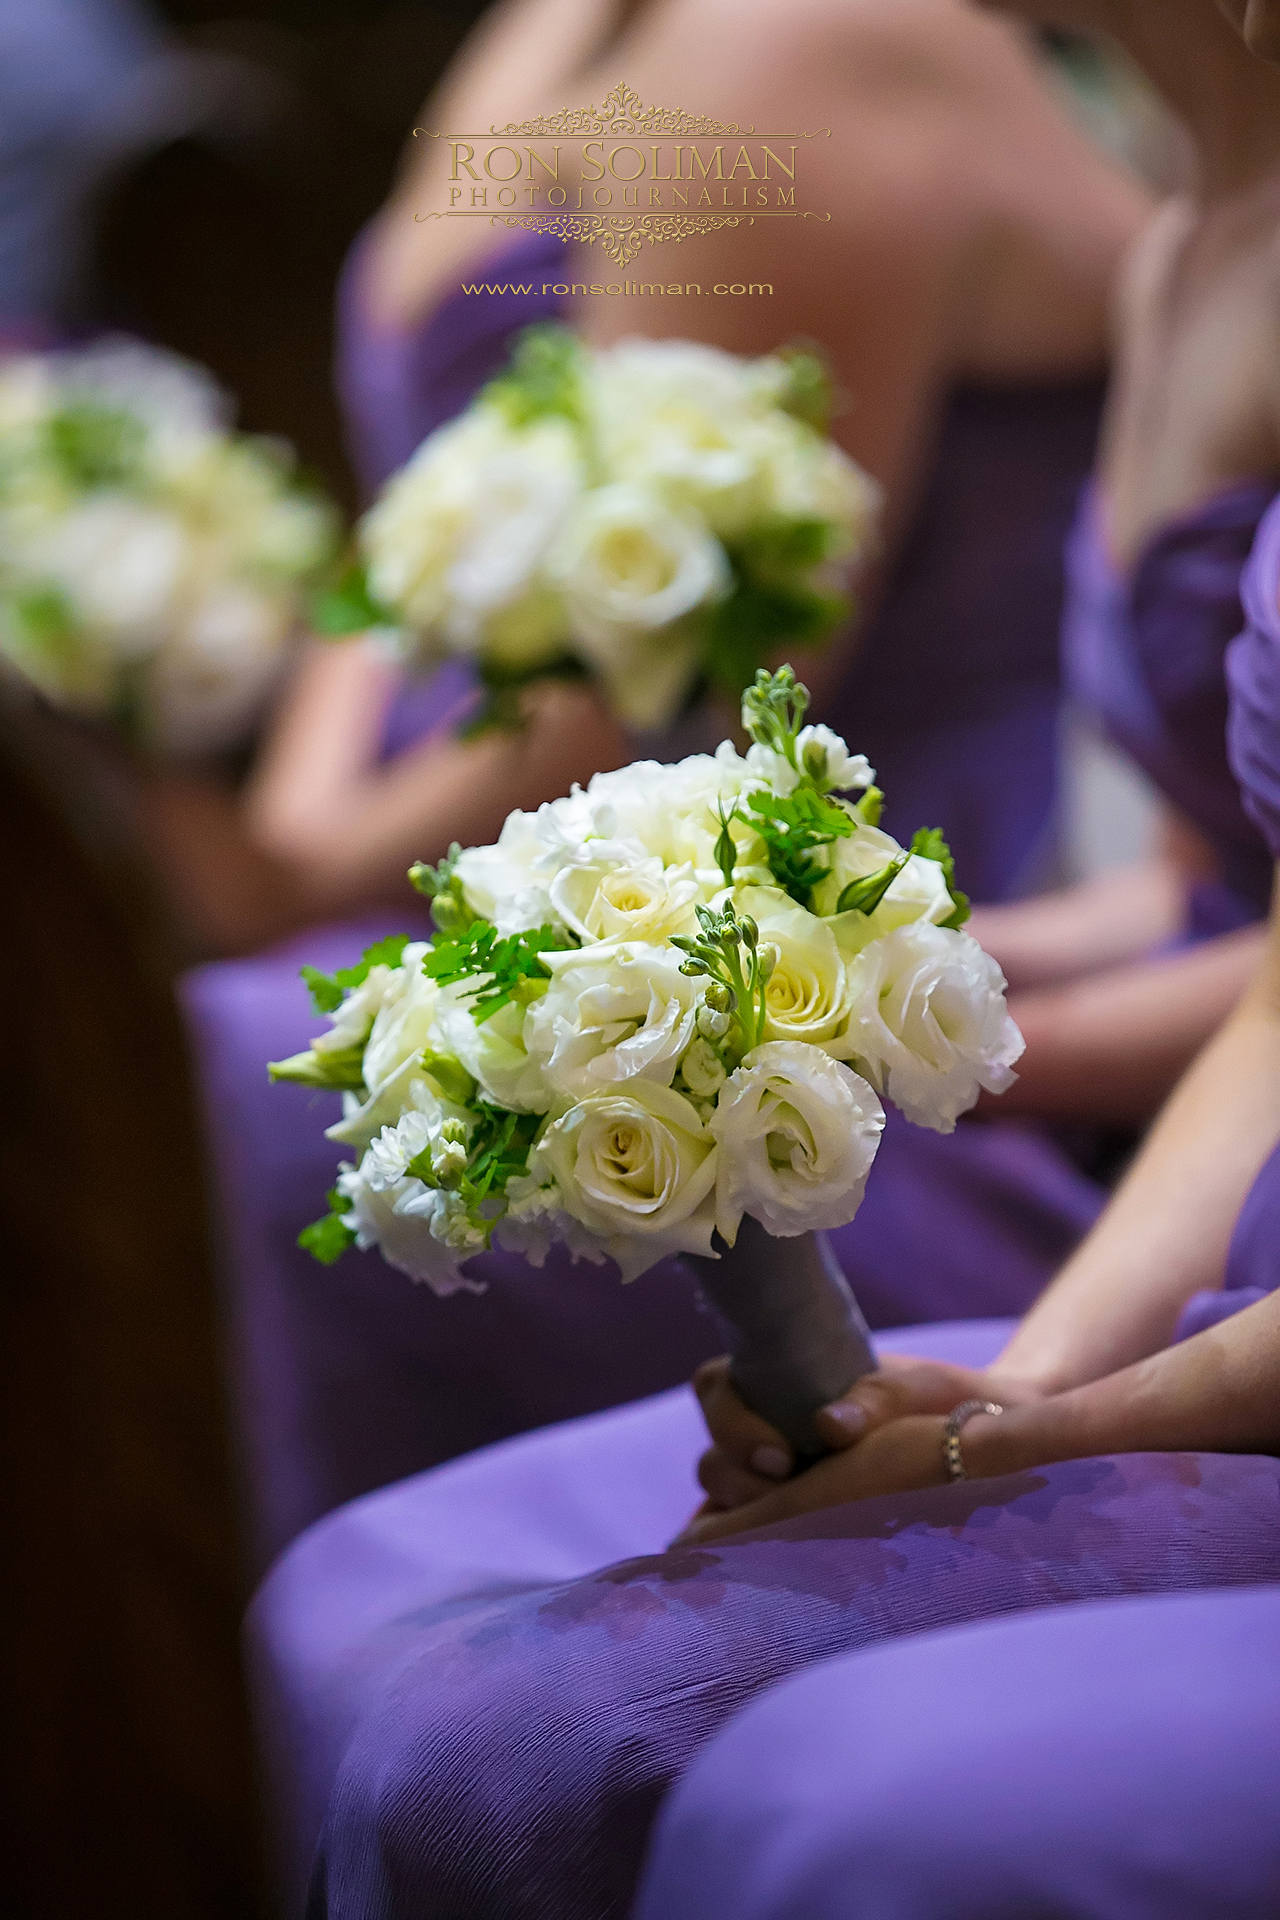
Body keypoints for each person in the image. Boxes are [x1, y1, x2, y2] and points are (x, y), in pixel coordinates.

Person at [243, 4, 1280, 1913]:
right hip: (1179, 1173)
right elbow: (1258, 926)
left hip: (1156, 1213)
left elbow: (665, 687)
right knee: (345, 1581)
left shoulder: (808, 67)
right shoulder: (1182, 242)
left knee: (248, 1102)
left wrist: (902, 1039)